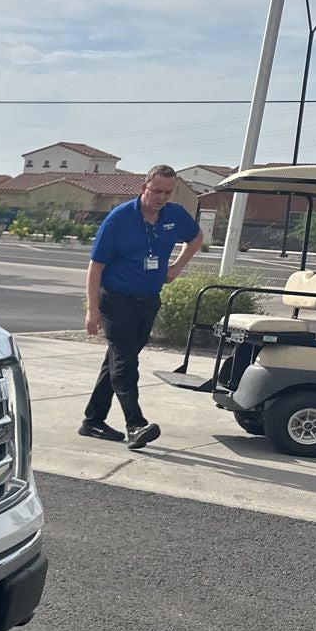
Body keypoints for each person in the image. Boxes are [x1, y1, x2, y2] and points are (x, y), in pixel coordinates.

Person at [78, 164, 202, 449]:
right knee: (125, 362)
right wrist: (92, 309)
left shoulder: (174, 215)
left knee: (117, 362)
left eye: (168, 192)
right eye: (156, 190)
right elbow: (95, 267)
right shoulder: (119, 218)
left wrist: (176, 267)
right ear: (143, 187)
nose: (161, 197)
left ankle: (93, 420)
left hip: (148, 300)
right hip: (116, 299)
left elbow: (196, 238)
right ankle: (136, 424)